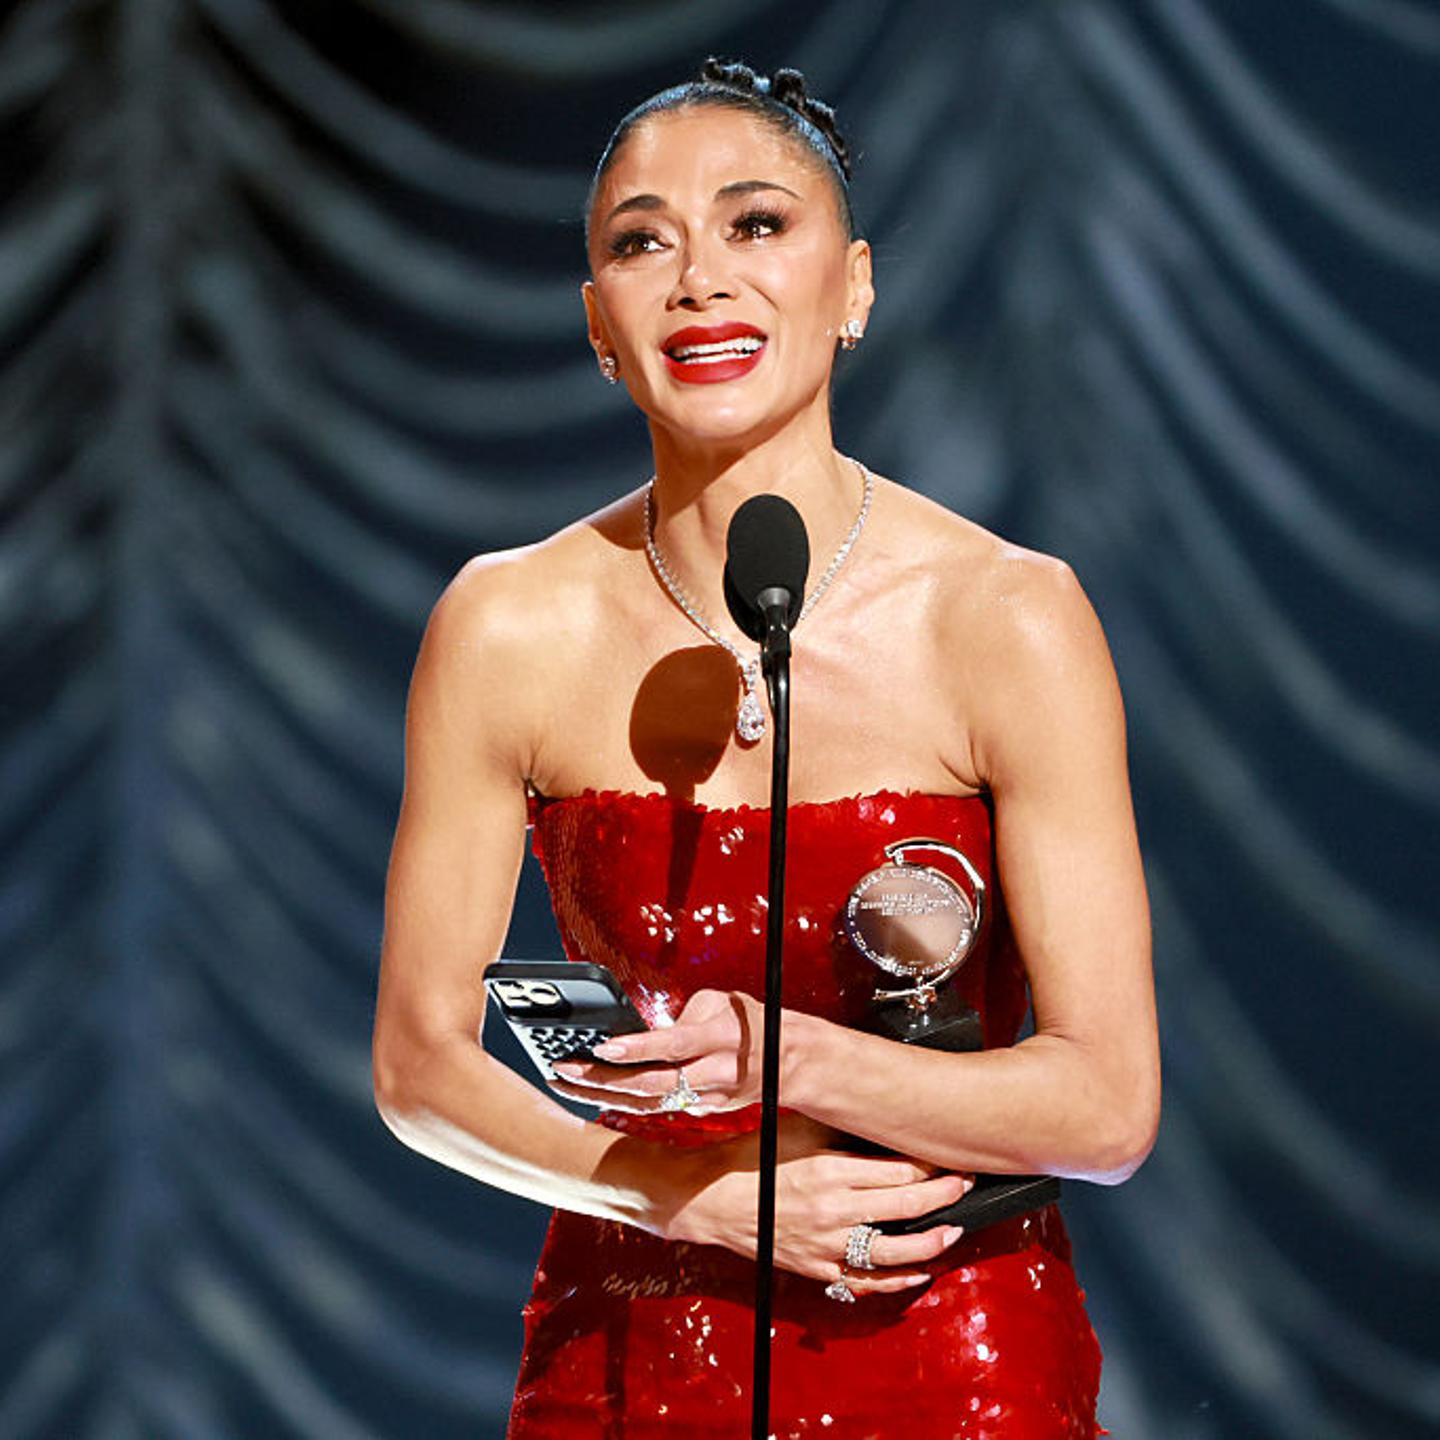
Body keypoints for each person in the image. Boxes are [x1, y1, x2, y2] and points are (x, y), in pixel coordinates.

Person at [371, 57, 1160, 1439]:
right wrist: (695, 1202)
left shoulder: (1008, 619)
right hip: (627, 1346)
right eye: (639, 243)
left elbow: (1104, 1105)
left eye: (755, 224)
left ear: (853, 286)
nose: (696, 280)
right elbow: (420, 1066)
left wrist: (781, 1056)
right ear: (600, 329)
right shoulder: (505, 624)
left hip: (954, 1350)